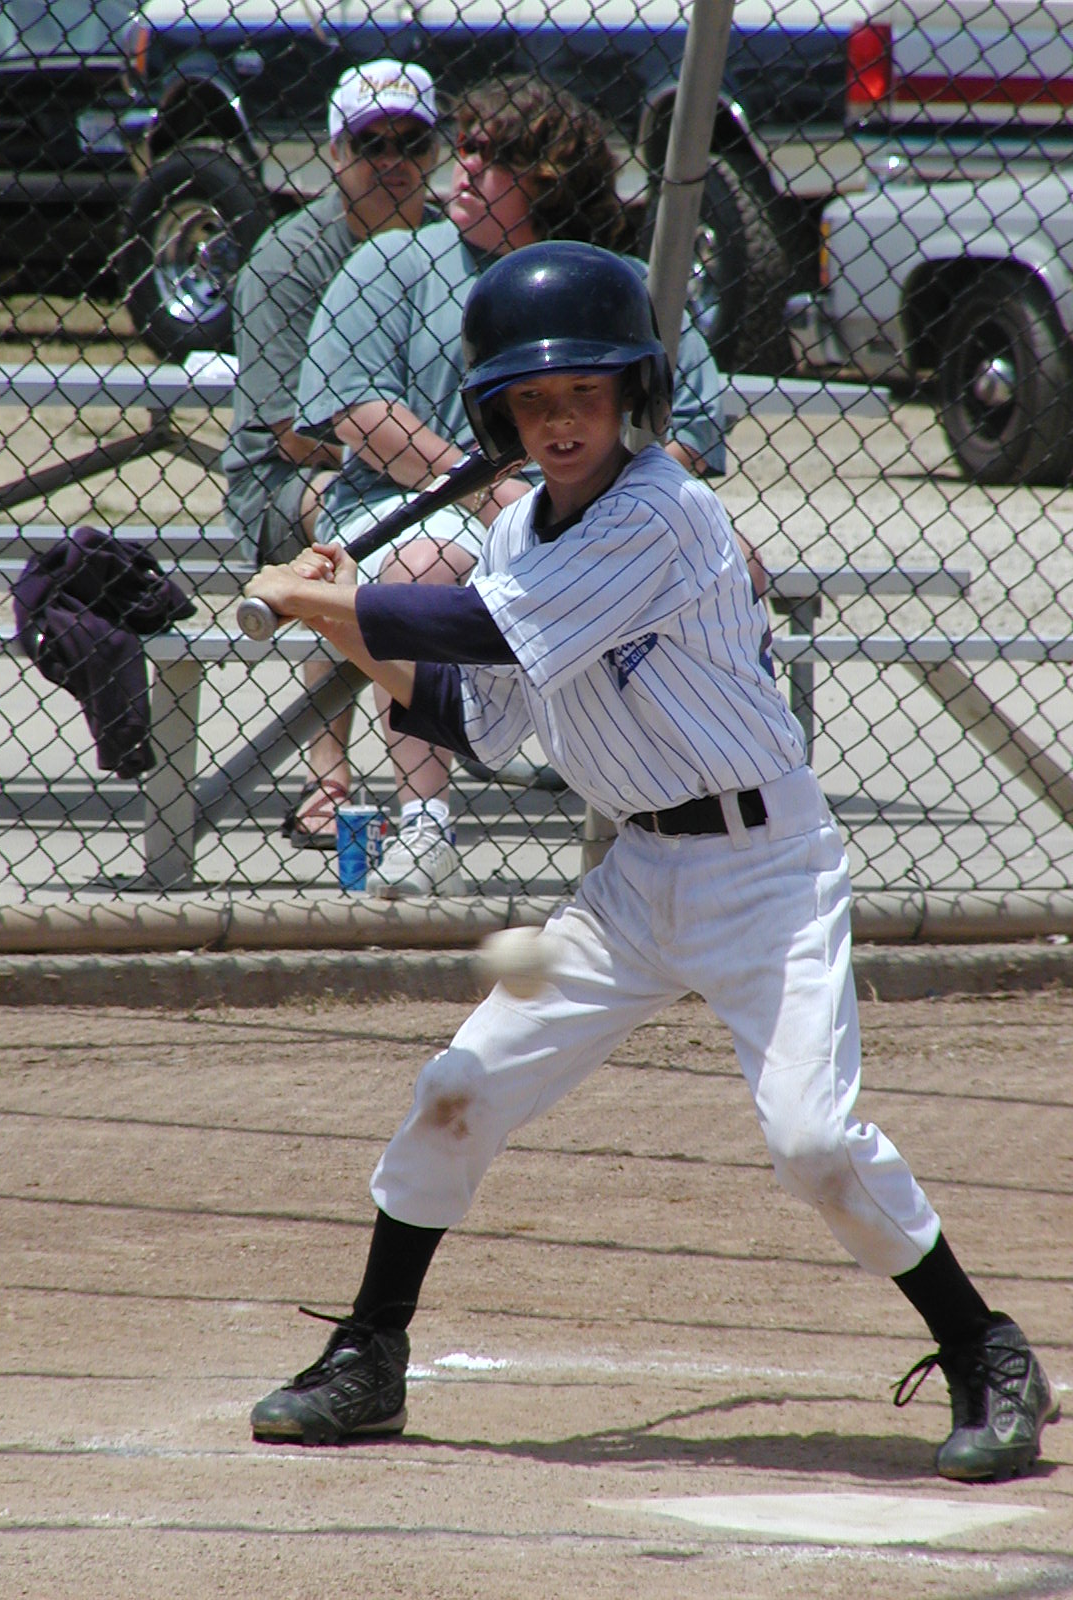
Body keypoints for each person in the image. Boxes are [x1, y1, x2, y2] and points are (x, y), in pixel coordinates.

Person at [241, 241, 1060, 1480]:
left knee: (812, 1144)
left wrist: (322, 600)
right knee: (460, 1086)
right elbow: (479, 715)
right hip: (633, 883)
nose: (559, 420)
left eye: (585, 392)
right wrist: (350, 623)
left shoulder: (666, 512)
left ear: (635, 393)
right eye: (532, 400)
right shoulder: (515, 538)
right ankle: (369, 1353)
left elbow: (476, 627)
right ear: (499, 415)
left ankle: (985, 1348)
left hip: (767, 870)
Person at [291, 75, 729, 893]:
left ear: (546, 179)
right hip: (405, 505)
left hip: (575, 513)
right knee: (427, 563)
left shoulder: (611, 280)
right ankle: (424, 823)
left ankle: (658, 811)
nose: (460, 166)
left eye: (488, 155)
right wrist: (481, 487)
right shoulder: (395, 261)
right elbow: (356, 409)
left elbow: (694, 423)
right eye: (461, 146)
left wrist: (602, 501)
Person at [221, 58, 441, 847]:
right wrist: (408, 455)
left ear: (437, 153)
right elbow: (289, 429)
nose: (393, 160)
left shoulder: (450, 245)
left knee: (423, 537)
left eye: (412, 142)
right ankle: (329, 778)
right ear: (335, 151)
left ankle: (443, 767)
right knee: (359, 537)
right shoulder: (289, 258)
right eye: (370, 141)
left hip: (424, 473)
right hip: (290, 481)